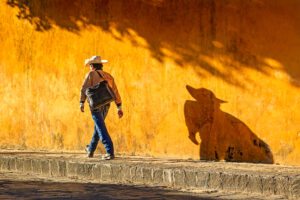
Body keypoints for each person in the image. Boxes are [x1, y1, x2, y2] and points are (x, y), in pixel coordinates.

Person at [80, 55, 123, 160]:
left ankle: (109, 151)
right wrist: (119, 107)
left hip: (95, 104)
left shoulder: (90, 74)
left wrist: (82, 102)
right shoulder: (108, 76)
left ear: (92, 66)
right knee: (98, 126)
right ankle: (90, 149)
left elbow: (84, 88)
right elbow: (115, 91)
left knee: (100, 127)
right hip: (106, 104)